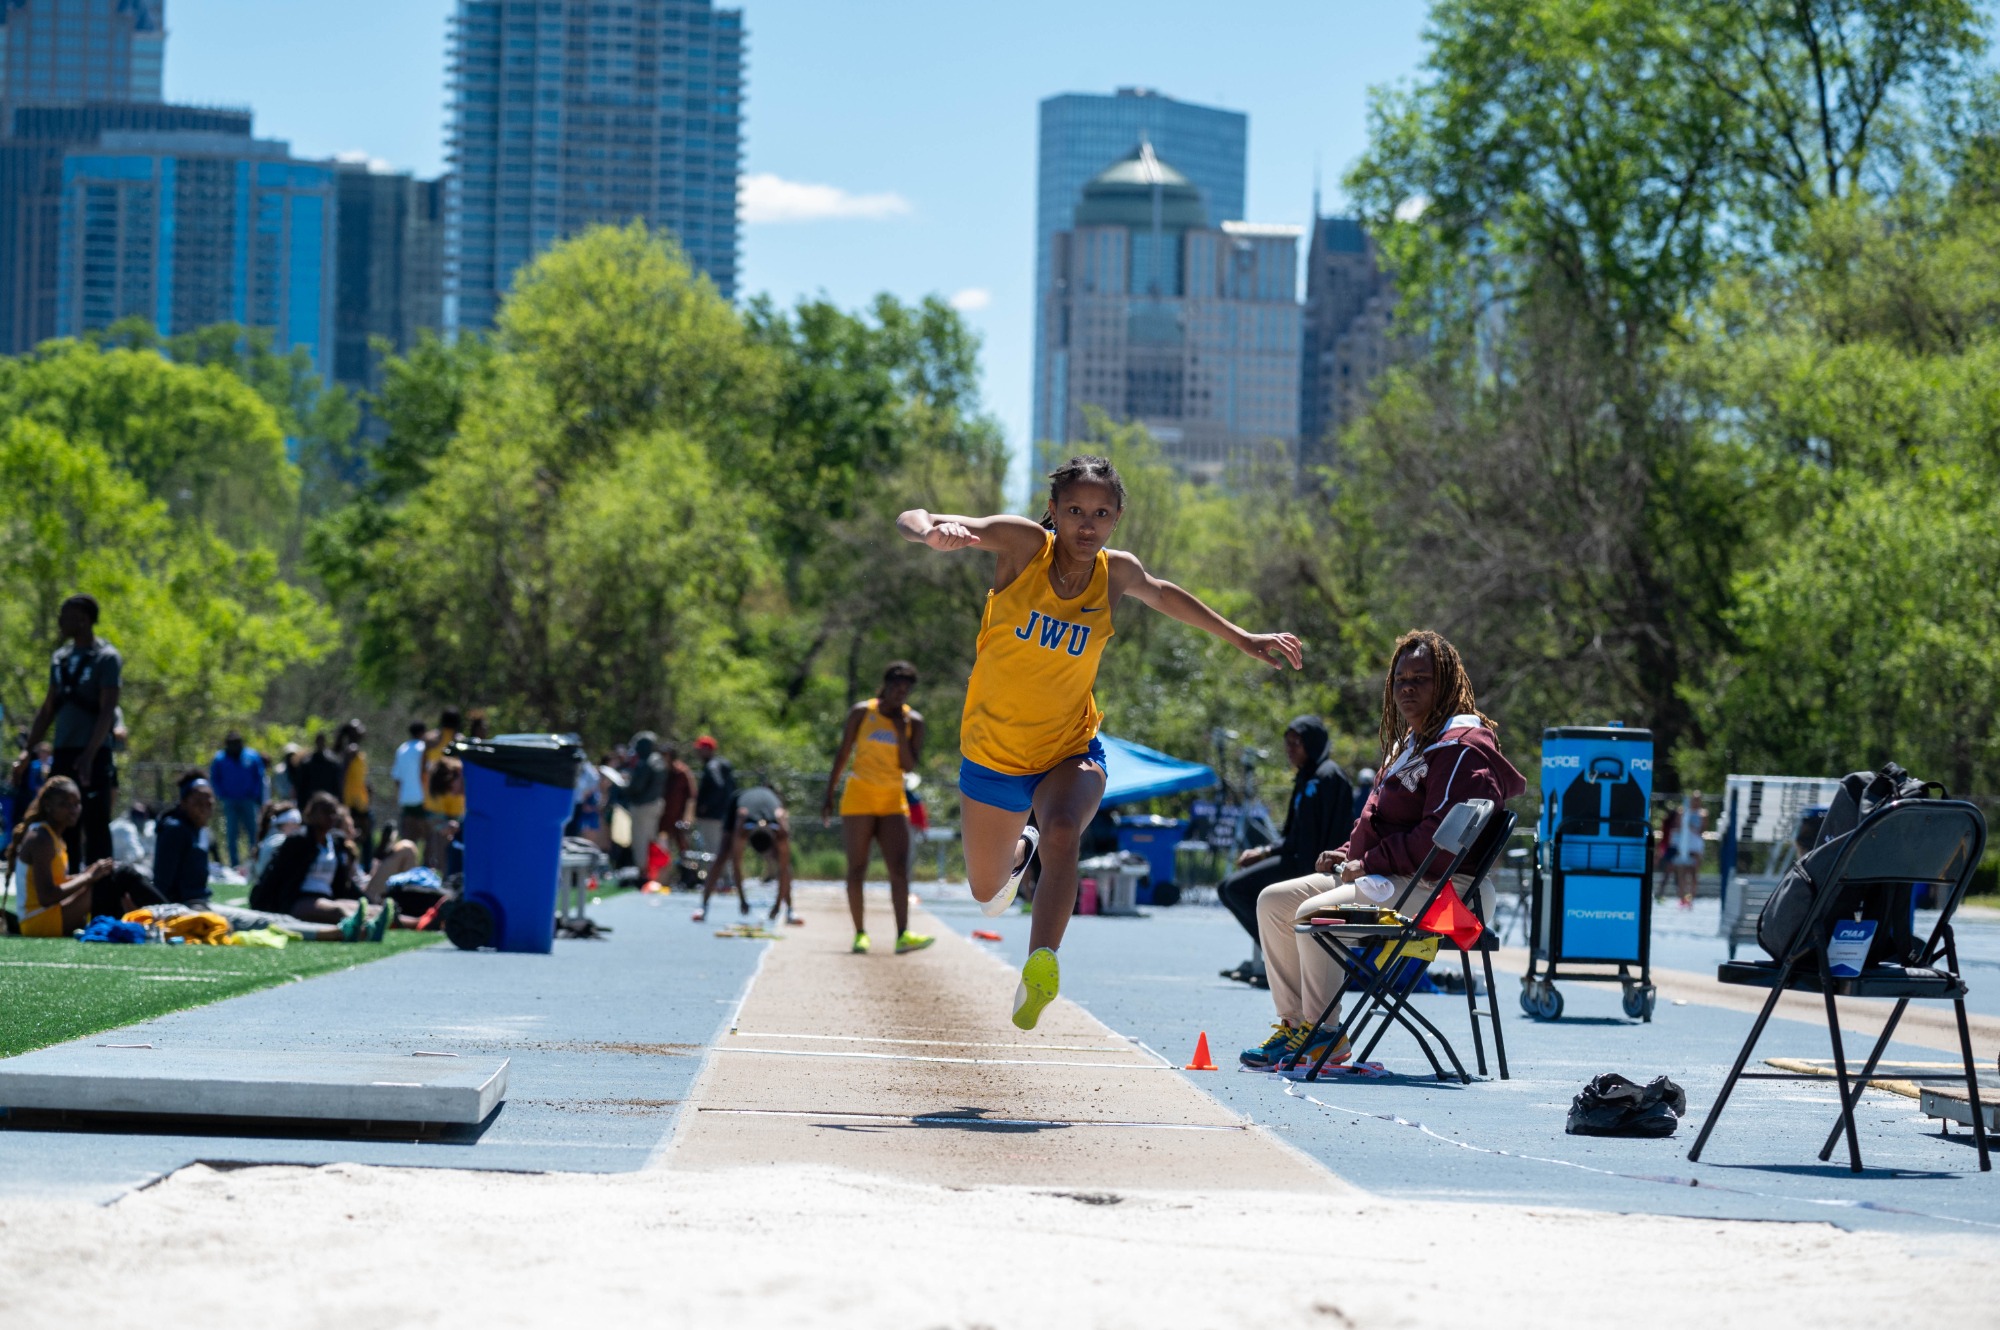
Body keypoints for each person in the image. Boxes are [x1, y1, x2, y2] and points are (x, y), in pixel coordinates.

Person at [899, 455, 1303, 1029]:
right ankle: (1021, 851)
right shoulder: (1022, 546)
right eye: (1074, 511)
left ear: (1117, 518)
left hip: (1069, 746)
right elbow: (912, 515)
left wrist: (1242, 638)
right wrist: (931, 533)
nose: (1087, 525)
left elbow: (1163, 594)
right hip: (993, 753)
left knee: (1065, 829)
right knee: (986, 894)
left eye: (1101, 514)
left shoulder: (1116, 573)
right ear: (1053, 511)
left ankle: (1041, 963)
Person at [1240, 630, 1525, 1072]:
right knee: (1274, 901)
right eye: (1400, 680)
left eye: (1421, 679)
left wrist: (1368, 862)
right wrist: (1346, 852)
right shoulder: (1410, 745)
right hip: (1399, 878)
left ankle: (1323, 1035)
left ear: (1446, 683)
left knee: (1315, 915)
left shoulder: (1463, 748)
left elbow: (1441, 842)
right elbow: (1379, 821)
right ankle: (1295, 1025)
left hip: (1448, 893)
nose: (1407, 689)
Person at [1218, 717, 1355, 987]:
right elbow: (1292, 837)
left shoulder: (1329, 777)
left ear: (1312, 743)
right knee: (1230, 888)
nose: (1290, 749)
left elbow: (1340, 832)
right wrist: (1263, 851)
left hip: (1314, 868)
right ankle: (1280, 959)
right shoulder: (1305, 777)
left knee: (1236, 889)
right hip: (1294, 860)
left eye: (1296, 743)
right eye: (1287, 743)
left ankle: (1287, 962)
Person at [822, 661, 930, 955]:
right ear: (886, 685)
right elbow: (844, 752)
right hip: (859, 797)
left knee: (899, 869)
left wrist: (900, 730)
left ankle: (903, 935)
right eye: (896, 687)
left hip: (892, 799)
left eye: (906, 690)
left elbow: (909, 765)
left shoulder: (913, 721)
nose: (900, 694)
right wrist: (829, 793)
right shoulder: (862, 712)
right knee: (857, 868)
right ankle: (860, 933)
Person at [20, 594, 122, 867]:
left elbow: (107, 710)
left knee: (96, 825)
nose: (59, 621)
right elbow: (48, 709)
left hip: (94, 755)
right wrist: (27, 751)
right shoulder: (60, 658)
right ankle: (66, 887)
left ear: (83, 619)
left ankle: (101, 890)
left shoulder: (106, 658)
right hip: (63, 753)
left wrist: (89, 755)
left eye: (64, 616)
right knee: (62, 825)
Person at [8, 776, 161, 937]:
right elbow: (46, 897)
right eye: (64, 804)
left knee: (112, 874)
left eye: (76, 804)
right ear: (48, 805)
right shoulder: (41, 838)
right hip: (39, 922)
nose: (73, 810)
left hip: (51, 913)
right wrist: (88, 876)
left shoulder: (53, 836)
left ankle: (158, 919)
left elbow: (58, 882)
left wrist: (89, 873)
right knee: (118, 875)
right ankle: (170, 915)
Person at [249, 792, 394, 940]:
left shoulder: (335, 842)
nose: (330, 817)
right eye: (325, 812)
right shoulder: (299, 841)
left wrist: (368, 900)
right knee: (340, 911)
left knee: (375, 910)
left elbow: (344, 884)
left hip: (327, 898)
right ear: (311, 814)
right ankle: (367, 931)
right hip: (300, 900)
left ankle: (398, 924)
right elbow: (275, 874)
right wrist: (261, 902)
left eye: (333, 813)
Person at [713, 782, 794, 925]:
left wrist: (777, 907)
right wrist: (742, 900)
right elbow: (736, 865)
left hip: (768, 801)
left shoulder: (780, 827)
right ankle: (703, 906)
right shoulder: (742, 826)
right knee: (723, 854)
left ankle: (790, 910)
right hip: (741, 798)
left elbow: (784, 869)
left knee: (784, 863)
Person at [151, 773, 219, 905]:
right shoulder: (175, 830)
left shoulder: (201, 830)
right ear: (184, 803)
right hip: (183, 906)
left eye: (209, 804)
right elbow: (162, 883)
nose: (204, 809)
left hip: (200, 901)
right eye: (198, 803)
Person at [207, 732, 267, 867]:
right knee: (231, 833)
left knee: (253, 832)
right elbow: (215, 778)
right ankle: (234, 864)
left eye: (237, 742)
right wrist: (221, 794)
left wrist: (256, 795)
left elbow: (259, 777)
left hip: (248, 800)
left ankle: (254, 862)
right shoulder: (220, 758)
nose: (235, 746)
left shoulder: (252, 756)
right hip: (229, 801)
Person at [692, 735, 736, 881]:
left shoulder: (713, 766)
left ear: (707, 750)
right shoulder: (719, 765)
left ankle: (718, 880)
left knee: (714, 849)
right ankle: (724, 879)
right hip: (723, 814)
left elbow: (718, 786)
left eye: (700, 750)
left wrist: (705, 806)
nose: (698, 753)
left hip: (713, 815)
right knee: (720, 848)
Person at [624, 731, 668, 874]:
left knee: (640, 841)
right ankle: (653, 871)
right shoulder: (659, 760)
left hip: (642, 807)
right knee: (651, 839)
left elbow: (636, 787)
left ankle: (643, 872)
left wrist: (624, 786)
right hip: (655, 804)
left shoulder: (645, 762)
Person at [336, 720, 373, 869]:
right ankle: (363, 868)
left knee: (361, 837)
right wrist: (341, 797)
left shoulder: (356, 750)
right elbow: (342, 774)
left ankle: (358, 868)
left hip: (359, 801)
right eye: (358, 728)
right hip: (353, 802)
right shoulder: (351, 749)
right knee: (362, 838)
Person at [422, 708, 465, 822]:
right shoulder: (461, 740)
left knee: (438, 828)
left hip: (435, 790)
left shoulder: (430, 739)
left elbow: (423, 768)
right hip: (455, 791)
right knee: (455, 826)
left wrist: (425, 787)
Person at [392, 721, 429, 843]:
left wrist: (402, 794)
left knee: (408, 840)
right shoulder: (424, 748)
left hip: (406, 799)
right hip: (423, 799)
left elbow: (396, 777)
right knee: (428, 838)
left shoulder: (402, 749)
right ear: (423, 732)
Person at [1671, 791, 1705, 909]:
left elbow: (1702, 829)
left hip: (1696, 845)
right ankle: (1682, 898)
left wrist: (1691, 826)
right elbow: (1677, 826)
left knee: (1694, 874)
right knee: (1682, 873)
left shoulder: (1702, 813)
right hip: (1684, 845)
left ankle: (1691, 898)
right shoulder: (1683, 812)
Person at [254, 802, 301, 882]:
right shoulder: (281, 842)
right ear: (286, 824)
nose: (298, 828)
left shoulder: (269, 839)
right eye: (295, 824)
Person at [1655, 803, 1682, 904]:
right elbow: (1664, 841)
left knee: (1677, 875)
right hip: (1671, 851)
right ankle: (1661, 894)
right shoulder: (1668, 828)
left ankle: (1681, 896)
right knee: (1668, 874)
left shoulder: (1682, 826)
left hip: (1678, 851)